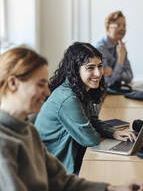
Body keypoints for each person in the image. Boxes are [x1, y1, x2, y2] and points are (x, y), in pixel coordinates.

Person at [0, 46, 143, 191]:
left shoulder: (28, 130)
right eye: (40, 85)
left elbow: (61, 180)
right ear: (13, 83)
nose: (47, 92)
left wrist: (113, 188)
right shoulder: (4, 144)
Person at [35, 42, 136, 175]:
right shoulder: (68, 99)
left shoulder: (81, 89)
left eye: (100, 66)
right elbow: (90, 139)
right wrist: (101, 132)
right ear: (76, 70)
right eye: (90, 68)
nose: (98, 73)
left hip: (73, 155)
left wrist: (113, 133)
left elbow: (92, 120)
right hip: (57, 169)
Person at [96, 11, 133, 88]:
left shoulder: (121, 47)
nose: (122, 28)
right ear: (107, 28)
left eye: (124, 25)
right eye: (118, 25)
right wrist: (120, 59)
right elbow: (107, 82)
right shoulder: (100, 49)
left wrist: (113, 72)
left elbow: (130, 76)